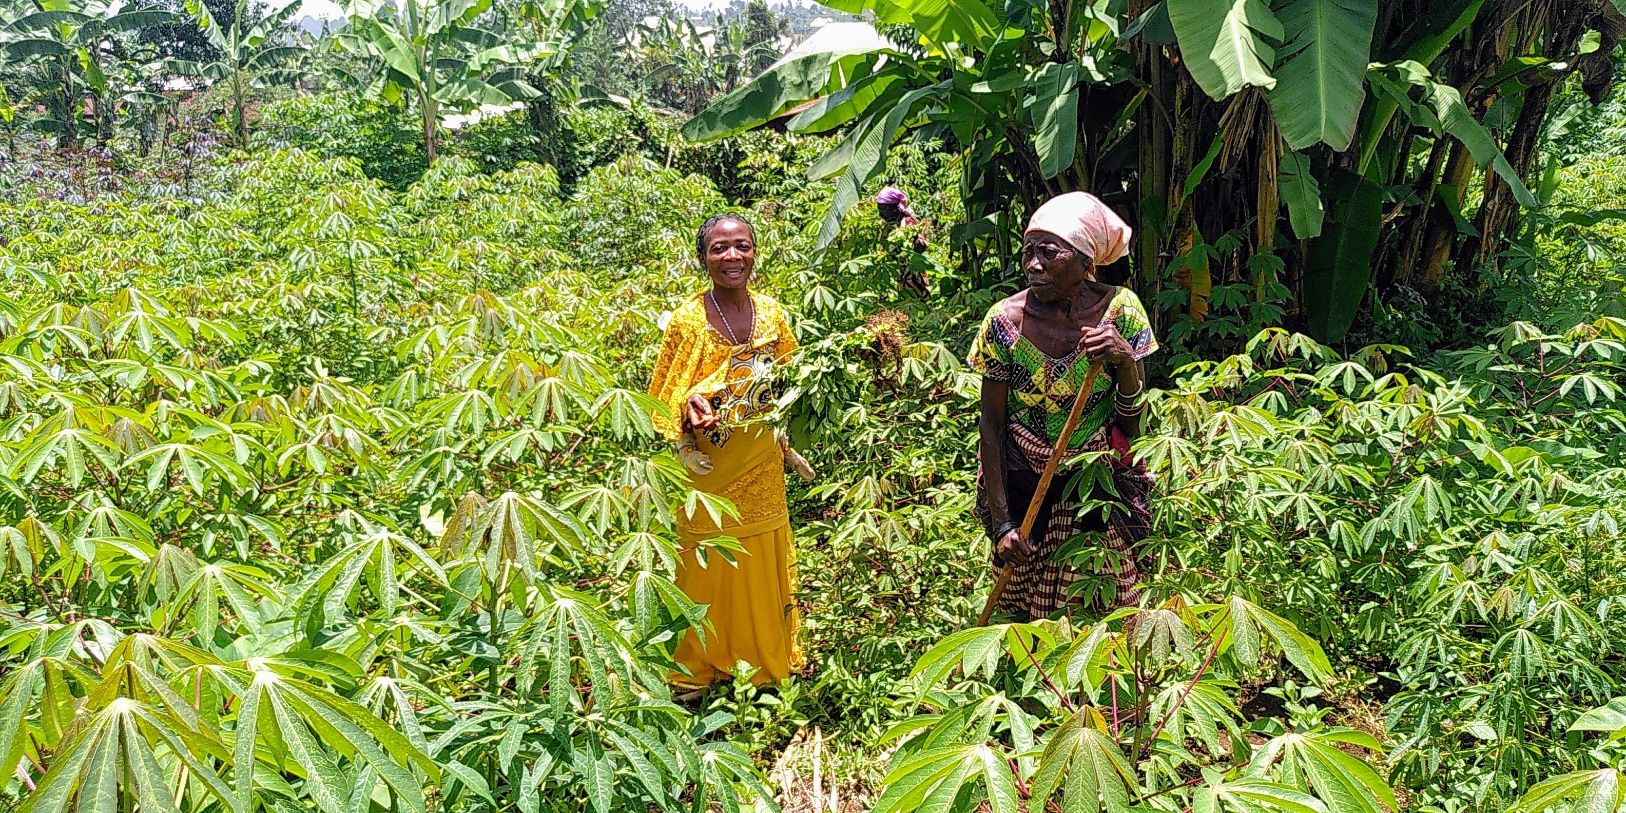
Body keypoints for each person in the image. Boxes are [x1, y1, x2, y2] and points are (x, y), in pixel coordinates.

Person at [968, 192, 1158, 620]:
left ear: (1085, 261)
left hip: (1094, 481)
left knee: (1103, 605)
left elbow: (1133, 425)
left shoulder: (1121, 311)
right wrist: (1002, 524)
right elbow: (992, 426)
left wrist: (1125, 360)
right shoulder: (1004, 322)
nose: (1033, 265)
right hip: (1023, 478)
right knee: (1020, 604)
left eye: (1048, 253)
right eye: (1028, 253)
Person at [647, 213, 806, 690]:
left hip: (762, 461)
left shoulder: (773, 314)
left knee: (760, 558)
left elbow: (789, 384)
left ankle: (763, 665)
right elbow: (666, 393)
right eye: (719, 248)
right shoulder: (687, 322)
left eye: (742, 245)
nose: (732, 256)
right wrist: (685, 438)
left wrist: (787, 448)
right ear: (703, 259)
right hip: (709, 467)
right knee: (707, 563)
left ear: (755, 253)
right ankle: (698, 668)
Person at [875, 186, 930, 298]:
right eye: (879, 209)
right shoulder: (887, 226)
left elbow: (921, 245)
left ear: (895, 208)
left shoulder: (908, 222)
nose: (881, 213)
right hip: (893, 278)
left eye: (884, 209)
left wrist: (917, 243)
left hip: (912, 278)